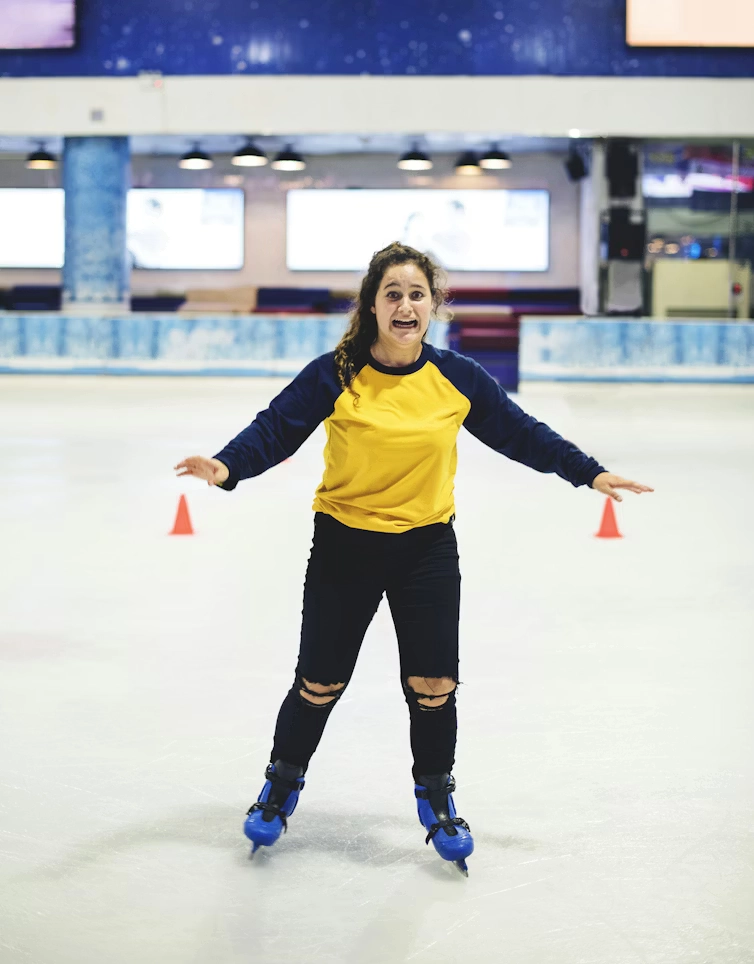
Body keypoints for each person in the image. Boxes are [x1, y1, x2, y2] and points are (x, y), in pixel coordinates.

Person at [174, 241, 653, 876]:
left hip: (426, 547)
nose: (405, 305)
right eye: (392, 293)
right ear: (372, 305)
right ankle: (280, 786)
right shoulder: (336, 372)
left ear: (433, 306)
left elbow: (519, 432)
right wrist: (227, 465)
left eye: (416, 294)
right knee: (320, 683)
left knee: (434, 685)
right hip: (346, 544)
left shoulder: (456, 377)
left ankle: (437, 797)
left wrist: (588, 473)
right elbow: (275, 427)